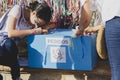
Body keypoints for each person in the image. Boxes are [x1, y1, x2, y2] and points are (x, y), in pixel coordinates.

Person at [0, 1, 55, 80]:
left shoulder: (33, 22)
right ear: (33, 13)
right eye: (37, 22)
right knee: (9, 44)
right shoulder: (17, 9)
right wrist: (34, 31)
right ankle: (16, 77)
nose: (36, 25)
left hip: (10, 55)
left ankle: (16, 77)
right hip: (2, 46)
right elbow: (10, 33)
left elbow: (51, 25)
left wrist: (45, 28)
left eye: (39, 24)